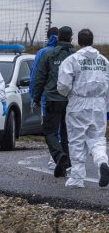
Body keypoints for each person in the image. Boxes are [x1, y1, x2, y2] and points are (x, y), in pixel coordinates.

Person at [57, 29, 109, 188]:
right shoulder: (104, 61)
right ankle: (102, 161)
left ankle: (77, 178)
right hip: (99, 104)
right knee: (97, 138)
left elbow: (63, 85)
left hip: (79, 103)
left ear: (78, 42)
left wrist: (69, 94)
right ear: (92, 41)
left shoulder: (72, 60)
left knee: (76, 139)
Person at [33, 26, 75, 177]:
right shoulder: (75, 56)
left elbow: (40, 78)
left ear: (58, 37)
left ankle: (58, 156)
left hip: (52, 99)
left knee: (49, 131)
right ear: (71, 38)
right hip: (71, 100)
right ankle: (66, 163)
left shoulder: (49, 54)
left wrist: (36, 98)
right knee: (66, 132)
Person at [29, 27, 59, 170]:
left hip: (48, 97)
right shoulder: (68, 52)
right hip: (68, 98)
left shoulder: (42, 53)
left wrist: (34, 96)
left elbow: (36, 76)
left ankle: (55, 159)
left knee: (50, 129)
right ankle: (68, 159)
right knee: (64, 128)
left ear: (48, 37)